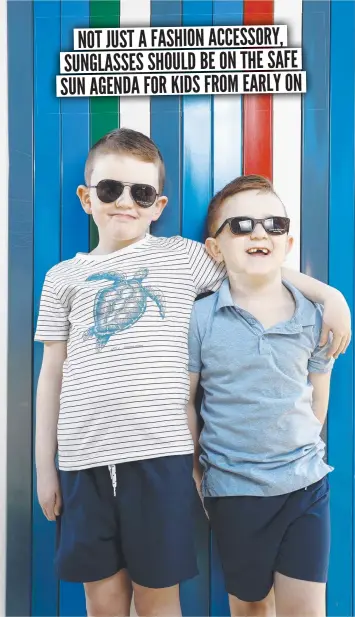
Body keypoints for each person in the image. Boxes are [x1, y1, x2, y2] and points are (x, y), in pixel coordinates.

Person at [35, 131, 349, 617]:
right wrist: (44, 466)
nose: (124, 202)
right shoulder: (61, 278)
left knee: (159, 598)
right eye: (110, 189)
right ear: (86, 196)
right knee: (102, 598)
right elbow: (51, 372)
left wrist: (330, 296)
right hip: (82, 463)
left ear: (158, 205)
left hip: (161, 459)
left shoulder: (181, 258)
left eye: (140, 193)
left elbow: (252, 263)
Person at [187, 174, 338, 617]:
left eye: (274, 224)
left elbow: (317, 397)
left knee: (306, 610)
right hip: (233, 490)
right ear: (215, 248)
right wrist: (197, 474)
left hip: (305, 485)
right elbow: (187, 401)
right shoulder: (201, 317)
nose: (259, 233)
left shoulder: (316, 316)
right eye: (241, 225)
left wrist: (301, 448)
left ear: (288, 243)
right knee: (250, 606)